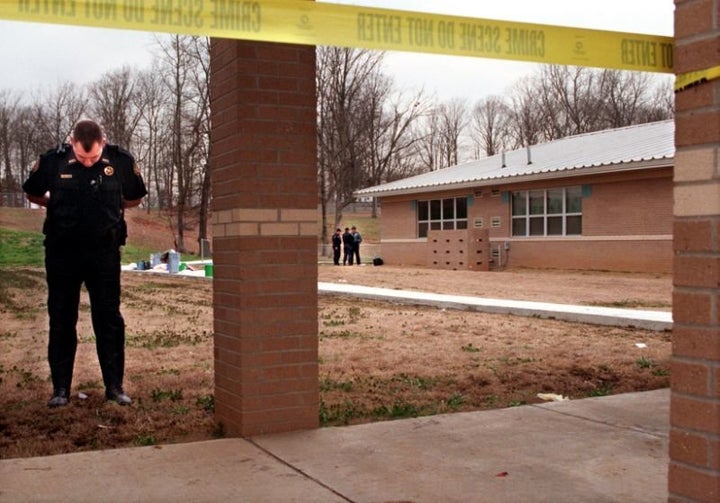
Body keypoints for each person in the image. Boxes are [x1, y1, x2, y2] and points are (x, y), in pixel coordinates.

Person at [22, 119, 147, 407]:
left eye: (92, 157)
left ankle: (114, 387)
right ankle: (61, 390)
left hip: (104, 252)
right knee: (62, 317)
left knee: (109, 319)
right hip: (62, 251)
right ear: (71, 143)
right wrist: (52, 204)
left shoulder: (121, 161)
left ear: (103, 142)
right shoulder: (52, 161)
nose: (87, 162)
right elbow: (32, 191)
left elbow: (135, 196)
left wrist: (112, 205)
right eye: (81, 157)